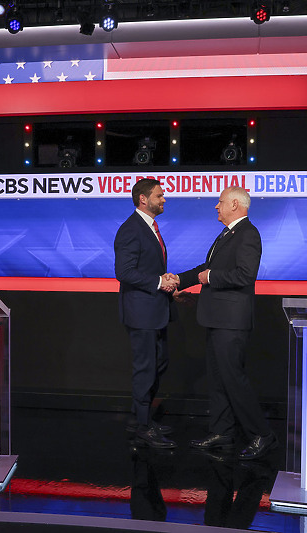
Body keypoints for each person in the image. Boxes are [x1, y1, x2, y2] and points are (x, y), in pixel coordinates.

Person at [175, 186, 277, 460]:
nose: (216, 207)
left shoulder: (248, 234)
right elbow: (204, 269)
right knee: (219, 378)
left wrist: (211, 278)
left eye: (220, 202)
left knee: (234, 379)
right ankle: (222, 431)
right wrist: (178, 280)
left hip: (231, 322)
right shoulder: (228, 234)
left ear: (235, 204)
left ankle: (262, 435)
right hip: (217, 319)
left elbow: (244, 275)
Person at [114, 178, 178, 449]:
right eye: (159, 196)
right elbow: (124, 272)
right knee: (146, 369)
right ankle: (142, 427)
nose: (163, 200)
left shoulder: (149, 227)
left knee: (158, 364)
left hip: (156, 310)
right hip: (141, 313)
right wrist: (159, 282)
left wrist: (169, 288)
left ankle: (141, 418)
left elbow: (149, 266)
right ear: (143, 199)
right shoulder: (131, 229)